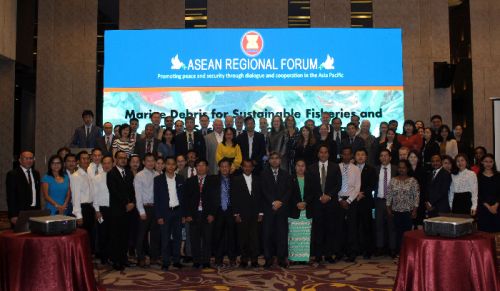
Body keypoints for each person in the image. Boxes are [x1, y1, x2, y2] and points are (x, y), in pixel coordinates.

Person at [304, 145, 342, 264]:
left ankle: (329, 254)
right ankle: (318, 255)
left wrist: (328, 196)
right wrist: (320, 195)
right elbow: (310, 186)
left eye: (326, 152)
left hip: (331, 203)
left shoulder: (335, 167)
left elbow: (338, 184)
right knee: (318, 230)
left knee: (330, 229)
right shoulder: (311, 168)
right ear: (318, 154)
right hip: (317, 203)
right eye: (321, 152)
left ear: (328, 154)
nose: (323, 154)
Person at [261, 152, 292, 268]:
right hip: (269, 208)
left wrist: (280, 202)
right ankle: (268, 258)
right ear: (269, 161)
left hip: (282, 209)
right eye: (272, 158)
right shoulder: (263, 174)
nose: (274, 160)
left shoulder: (286, 174)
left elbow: (289, 191)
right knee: (267, 235)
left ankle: (281, 258)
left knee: (282, 234)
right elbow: (263, 191)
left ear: (280, 160)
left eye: (276, 158)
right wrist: (273, 202)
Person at [107, 151, 136, 270]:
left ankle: (123, 259)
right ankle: (116, 260)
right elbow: (114, 191)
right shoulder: (111, 173)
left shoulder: (129, 173)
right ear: (116, 160)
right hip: (116, 210)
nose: (123, 160)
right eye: (121, 158)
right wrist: (126, 203)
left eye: (125, 158)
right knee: (116, 236)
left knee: (125, 236)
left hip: (128, 210)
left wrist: (132, 202)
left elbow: (132, 190)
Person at [183, 159, 215, 269]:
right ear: (196, 167)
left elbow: (215, 199)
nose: (200, 168)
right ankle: (196, 261)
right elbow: (185, 199)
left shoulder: (212, 181)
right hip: (193, 214)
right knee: (194, 239)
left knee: (207, 239)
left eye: (203, 165)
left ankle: (206, 261)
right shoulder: (189, 181)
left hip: (207, 214)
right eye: (198, 165)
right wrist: (187, 214)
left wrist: (212, 214)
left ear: (207, 167)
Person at [155, 156, 185, 270]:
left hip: (178, 212)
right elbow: (156, 199)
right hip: (165, 213)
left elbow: (183, 199)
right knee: (165, 238)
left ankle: (177, 260)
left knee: (178, 237)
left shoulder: (181, 178)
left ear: (176, 165)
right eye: (168, 164)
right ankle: (166, 261)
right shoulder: (158, 180)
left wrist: (183, 215)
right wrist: (159, 216)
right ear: (164, 165)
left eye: (173, 164)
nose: (171, 166)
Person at [232, 159, 263, 268]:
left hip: (255, 213)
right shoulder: (236, 180)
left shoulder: (258, 180)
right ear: (242, 167)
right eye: (245, 166)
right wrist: (236, 214)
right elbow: (234, 198)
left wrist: (261, 213)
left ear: (253, 168)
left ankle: (254, 260)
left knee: (254, 238)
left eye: (250, 166)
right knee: (243, 238)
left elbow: (260, 197)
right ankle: (244, 260)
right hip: (242, 213)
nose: (247, 168)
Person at [386, 160, 419, 254]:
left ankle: (407, 254)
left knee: (407, 234)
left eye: (403, 167)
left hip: (408, 212)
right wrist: (388, 208)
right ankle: (399, 253)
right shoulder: (393, 180)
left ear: (407, 168)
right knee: (397, 233)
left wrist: (415, 210)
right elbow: (389, 195)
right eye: (400, 167)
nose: (401, 169)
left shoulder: (413, 181)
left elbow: (416, 197)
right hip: (396, 211)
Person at [134, 153, 161, 267]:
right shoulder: (139, 175)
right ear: (144, 162)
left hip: (155, 208)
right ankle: (141, 257)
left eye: (152, 161)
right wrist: (141, 211)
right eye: (148, 161)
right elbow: (138, 195)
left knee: (155, 234)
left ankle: (154, 257)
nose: (150, 163)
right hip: (144, 207)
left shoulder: (158, 174)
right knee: (141, 234)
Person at [335, 146, 361, 262]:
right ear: (341, 155)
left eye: (348, 154)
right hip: (338, 200)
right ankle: (340, 252)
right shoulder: (336, 167)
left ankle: (352, 252)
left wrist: (349, 200)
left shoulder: (356, 169)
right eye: (344, 154)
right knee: (339, 227)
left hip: (351, 200)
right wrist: (340, 199)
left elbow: (357, 187)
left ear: (351, 155)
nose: (346, 156)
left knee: (352, 227)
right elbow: (333, 185)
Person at [211, 159, 237, 267]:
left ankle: (232, 258)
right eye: (222, 166)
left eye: (226, 166)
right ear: (219, 168)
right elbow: (211, 197)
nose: (224, 168)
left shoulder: (235, 180)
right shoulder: (213, 179)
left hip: (231, 210)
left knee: (232, 236)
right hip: (219, 210)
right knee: (218, 236)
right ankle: (218, 259)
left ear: (230, 168)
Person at [6, 151, 41, 226]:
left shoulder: (36, 173)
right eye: (26, 158)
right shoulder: (13, 174)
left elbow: (37, 194)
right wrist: (13, 215)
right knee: (21, 236)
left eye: (31, 158)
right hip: (20, 213)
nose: (29, 160)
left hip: (35, 211)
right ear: (20, 160)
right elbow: (11, 196)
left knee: (35, 235)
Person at [374, 149, 397, 257]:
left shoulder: (396, 169)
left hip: (392, 202)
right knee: (379, 225)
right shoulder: (376, 169)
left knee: (392, 226)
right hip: (379, 200)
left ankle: (392, 248)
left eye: (386, 155)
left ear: (390, 157)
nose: (384, 158)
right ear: (379, 158)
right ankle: (380, 247)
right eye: (381, 156)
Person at [288, 159, 312, 264]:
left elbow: (313, 193)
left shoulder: (310, 179)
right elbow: (288, 193)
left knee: (305, 237)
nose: (300, 168)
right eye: (298, 165)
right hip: (294, 210)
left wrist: (305, 202)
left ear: (305, 167)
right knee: (294, 236)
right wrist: (296, 203)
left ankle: (304, 259)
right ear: (295, 167)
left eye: (303, 166)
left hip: (306, 211)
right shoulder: (290, 179)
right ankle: (293, 258)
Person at [354, 148, 377, 259]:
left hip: (366, 201)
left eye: (362, 155)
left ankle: (367, 250)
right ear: (355, 157)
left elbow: (373, 185)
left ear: (366, 157)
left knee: (366, 226)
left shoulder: (371, 169)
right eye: (358, 154)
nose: (360, 157)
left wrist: (361, 193)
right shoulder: (351, 169)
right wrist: (355, 194)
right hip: (353, 201)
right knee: (354, 226)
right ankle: (356, 249)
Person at [71, 151, 96, 251]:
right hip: (82, 209)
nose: (86, 160)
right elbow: (75, 197)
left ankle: (87, 259)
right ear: (78, 161)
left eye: (87, 158)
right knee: (82, 237)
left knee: (89, 236)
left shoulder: (88, 174)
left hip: (89, 208)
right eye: (83, 158)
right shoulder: (76, 176)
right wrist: (78, 215)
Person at [92, 156, 113, 265]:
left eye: (108, 163)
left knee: (113, 233)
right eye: (104, 163)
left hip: (114, 209)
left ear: (112, 164)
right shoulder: (97, 178)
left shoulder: (116, 176)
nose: (106, 165)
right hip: (102, 210)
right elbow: (94, 196)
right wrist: (97, 210)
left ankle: (112, 256)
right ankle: (104, 257)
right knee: (102, 233)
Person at [477, 154, 500, 232]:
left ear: (493, 163)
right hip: (483, 208)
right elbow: (478, 194)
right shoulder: (477, 176)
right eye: (486, 161)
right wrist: (489, 207)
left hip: (497, 208)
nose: (488, 164)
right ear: (482, 163)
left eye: (490, 161)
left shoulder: (498, 175)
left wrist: (496, 205)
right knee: (484, 234)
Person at [407, 150, 426, 229]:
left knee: (419, 223)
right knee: (409, 223)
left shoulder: (423, 170)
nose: (413, 159)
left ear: (418, 159)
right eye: (411, 157)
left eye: (415, 157)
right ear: (408, 158)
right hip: (408, 200)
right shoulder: (406, 170)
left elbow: (425, 186)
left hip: (420, 200)